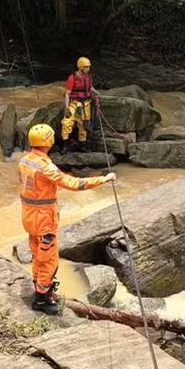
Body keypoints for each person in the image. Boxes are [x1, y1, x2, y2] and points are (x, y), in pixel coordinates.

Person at [19, 123, 116, 314]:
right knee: (49, 260)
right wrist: (102, 179)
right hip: (44, 219)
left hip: (29, 217)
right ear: (48, 141)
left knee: (38, 255)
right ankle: (41, 299)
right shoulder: (45, 167)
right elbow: (73, 183)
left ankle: (40, 289)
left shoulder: (24, 161)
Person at [60, 57, 95, 152]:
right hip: (75, 104)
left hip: (85, 105)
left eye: (88, 67)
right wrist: (67, 107)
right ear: (80, 67)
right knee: (67, 122)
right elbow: (67, 93)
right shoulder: (73, 77)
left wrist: (96, 93)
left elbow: (90, 87)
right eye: (86, 67)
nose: (88, 69)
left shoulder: (88, 77)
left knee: (83, 125)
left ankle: (82, 145)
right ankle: (65, 144)